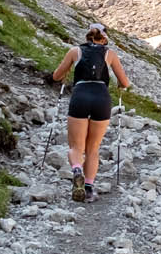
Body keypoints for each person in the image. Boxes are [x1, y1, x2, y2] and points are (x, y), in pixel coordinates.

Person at [50, 24, 132, 202]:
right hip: (101, 98)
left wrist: (66, 73)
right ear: (105, 39)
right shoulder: (110, 54)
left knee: (76, 147)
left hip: (80, 96)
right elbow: (125, 82)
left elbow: (56, 76)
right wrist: (120, 84)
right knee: (93, 148)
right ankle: (88, 189)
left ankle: (77, 169)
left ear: (87, 36)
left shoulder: (74, 51)